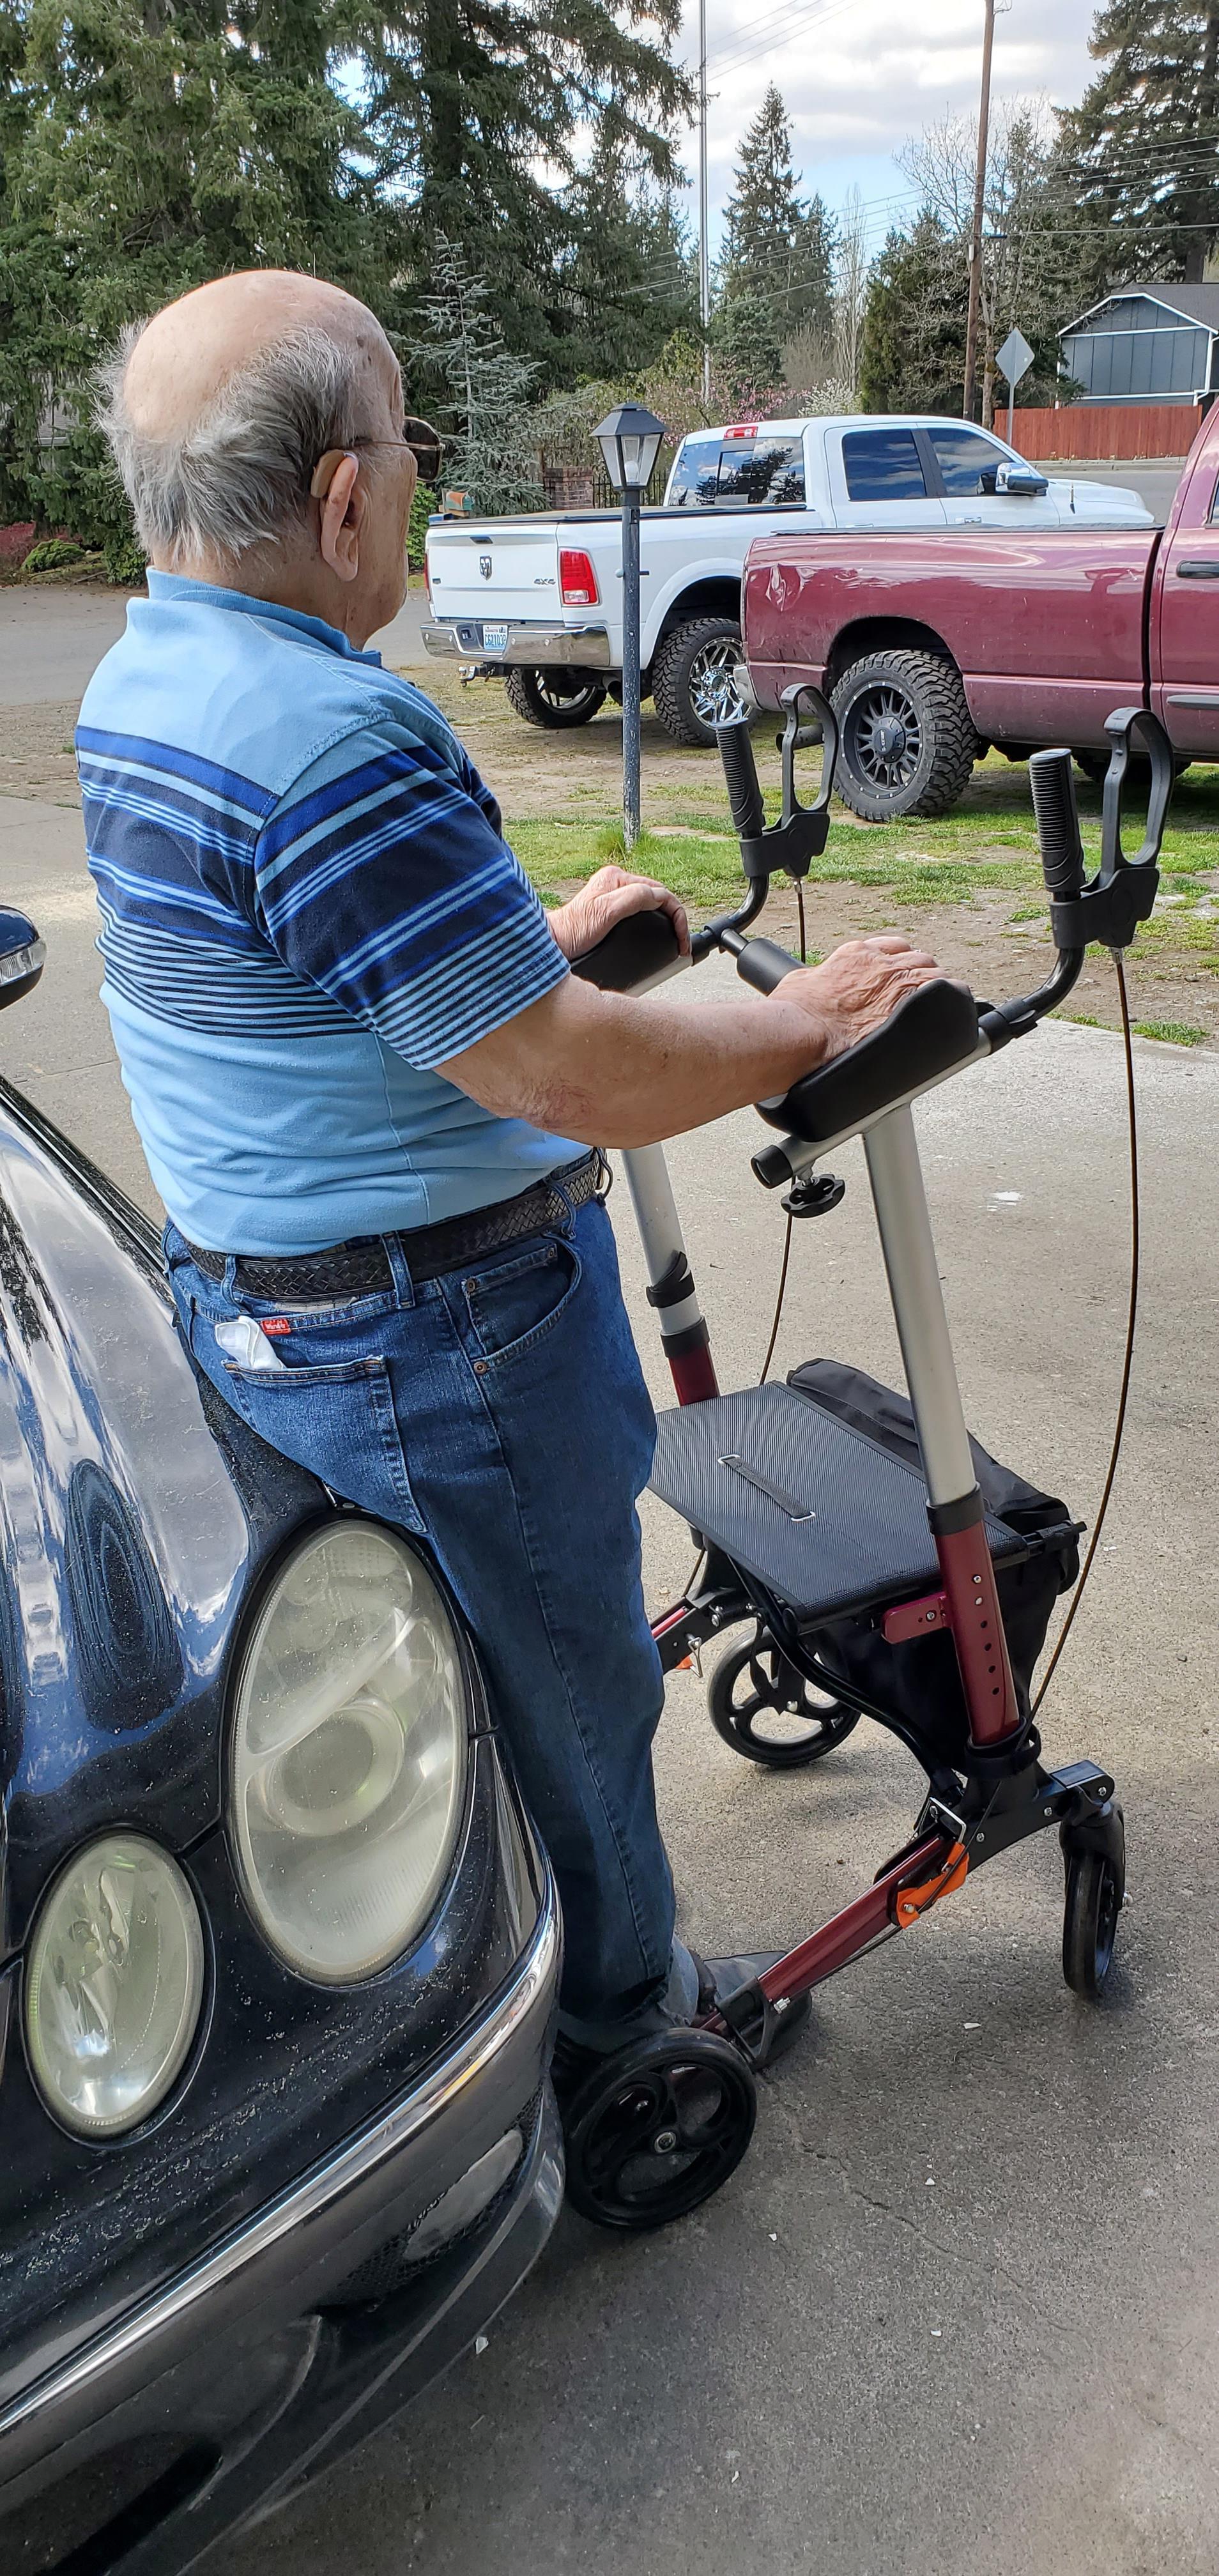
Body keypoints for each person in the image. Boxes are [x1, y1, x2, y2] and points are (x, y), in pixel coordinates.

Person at [79, 270, 944, 2078]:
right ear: (338, 497)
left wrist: (515, 943)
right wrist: (804, 1024)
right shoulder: (329, 736)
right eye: (413, 448)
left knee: (429, 1685)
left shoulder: (151, 675)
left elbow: (313, 971)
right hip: (436, 1340)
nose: (418, 480)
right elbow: (575, 1076)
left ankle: (484, 1977)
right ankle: (625, 2026)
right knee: (564, 1691)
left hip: (278, 1313)